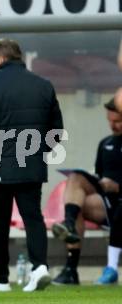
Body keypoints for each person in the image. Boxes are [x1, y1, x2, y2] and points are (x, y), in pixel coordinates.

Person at [0, 38, 63, 292]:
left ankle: (0, 279)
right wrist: (36, 152)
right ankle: (39, 268)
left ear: (1, 58)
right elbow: (56, 132)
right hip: (32, 168)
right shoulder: (44, 86)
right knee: (33, 218)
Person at [52, 97, 122, 285]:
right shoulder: (106, 143)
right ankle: (71, 270)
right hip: (106, 203)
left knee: (80, 194)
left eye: (117, 121)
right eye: (110, 121)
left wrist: (118, 186)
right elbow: (99, 174)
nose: (113, 125)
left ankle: (107, 267)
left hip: (119, 201)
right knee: (75, 179)